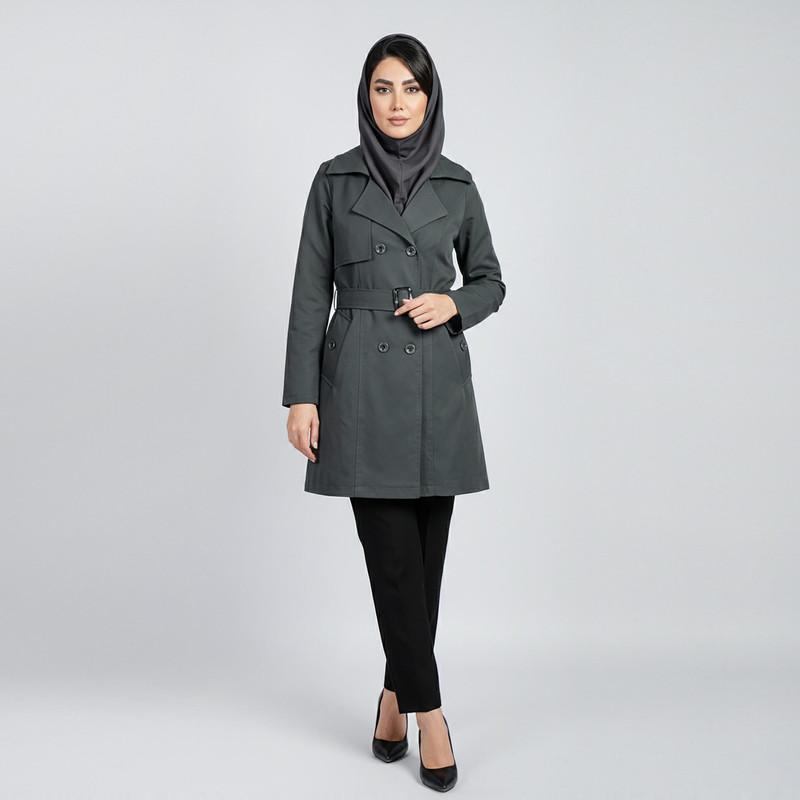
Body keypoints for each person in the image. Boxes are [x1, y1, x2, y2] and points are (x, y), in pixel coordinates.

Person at [282, 33, 505, 792]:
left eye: (411, 88)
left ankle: (391, 695)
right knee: (394, 564)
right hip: (359, 386)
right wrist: (302, 394)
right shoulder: (334, 181)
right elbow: (309, 292)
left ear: (430, 97)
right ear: (366, 98)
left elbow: (490, 279)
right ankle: (431, 712)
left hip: (437, 384)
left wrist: (456, 303)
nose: (398, 103)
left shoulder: (459, 185)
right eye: (383, 88)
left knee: (424, 566)